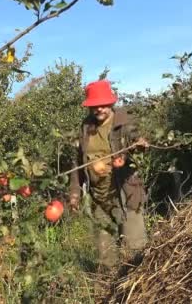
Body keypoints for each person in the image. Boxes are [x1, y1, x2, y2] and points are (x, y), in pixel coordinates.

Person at [68, 79, 149, 272]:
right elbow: (77, 162)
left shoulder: (124, 122)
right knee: (106, 259)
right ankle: (108, 293)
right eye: (95, 106)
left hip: (127, 196)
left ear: (111, 102)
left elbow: (140, 141)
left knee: (135, 253)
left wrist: (140, 144)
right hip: (100, 201)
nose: (99, 109)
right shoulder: (86, 128)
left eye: (103, 104)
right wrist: (74, 192)